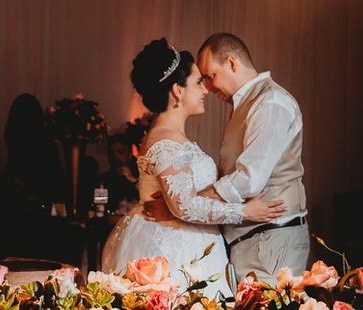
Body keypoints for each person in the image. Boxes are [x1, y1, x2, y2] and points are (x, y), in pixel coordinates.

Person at [101, 38, 284, 297]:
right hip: (174, 248)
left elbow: (182, 201)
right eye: (199, 82)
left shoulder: (171, 137)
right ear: (177, 90)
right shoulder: (165, 142)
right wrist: (245, 212)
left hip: (193, 243)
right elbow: (184, 206)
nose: (206, 90)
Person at [146, 33, 309, 283]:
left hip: (271, 238)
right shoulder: (246, 104)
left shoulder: (270, 102)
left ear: (232, 63)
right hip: (250, 240)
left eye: (210, 77)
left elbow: (249, 179)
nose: (208, 88)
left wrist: (182, 205)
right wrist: (182, 206)